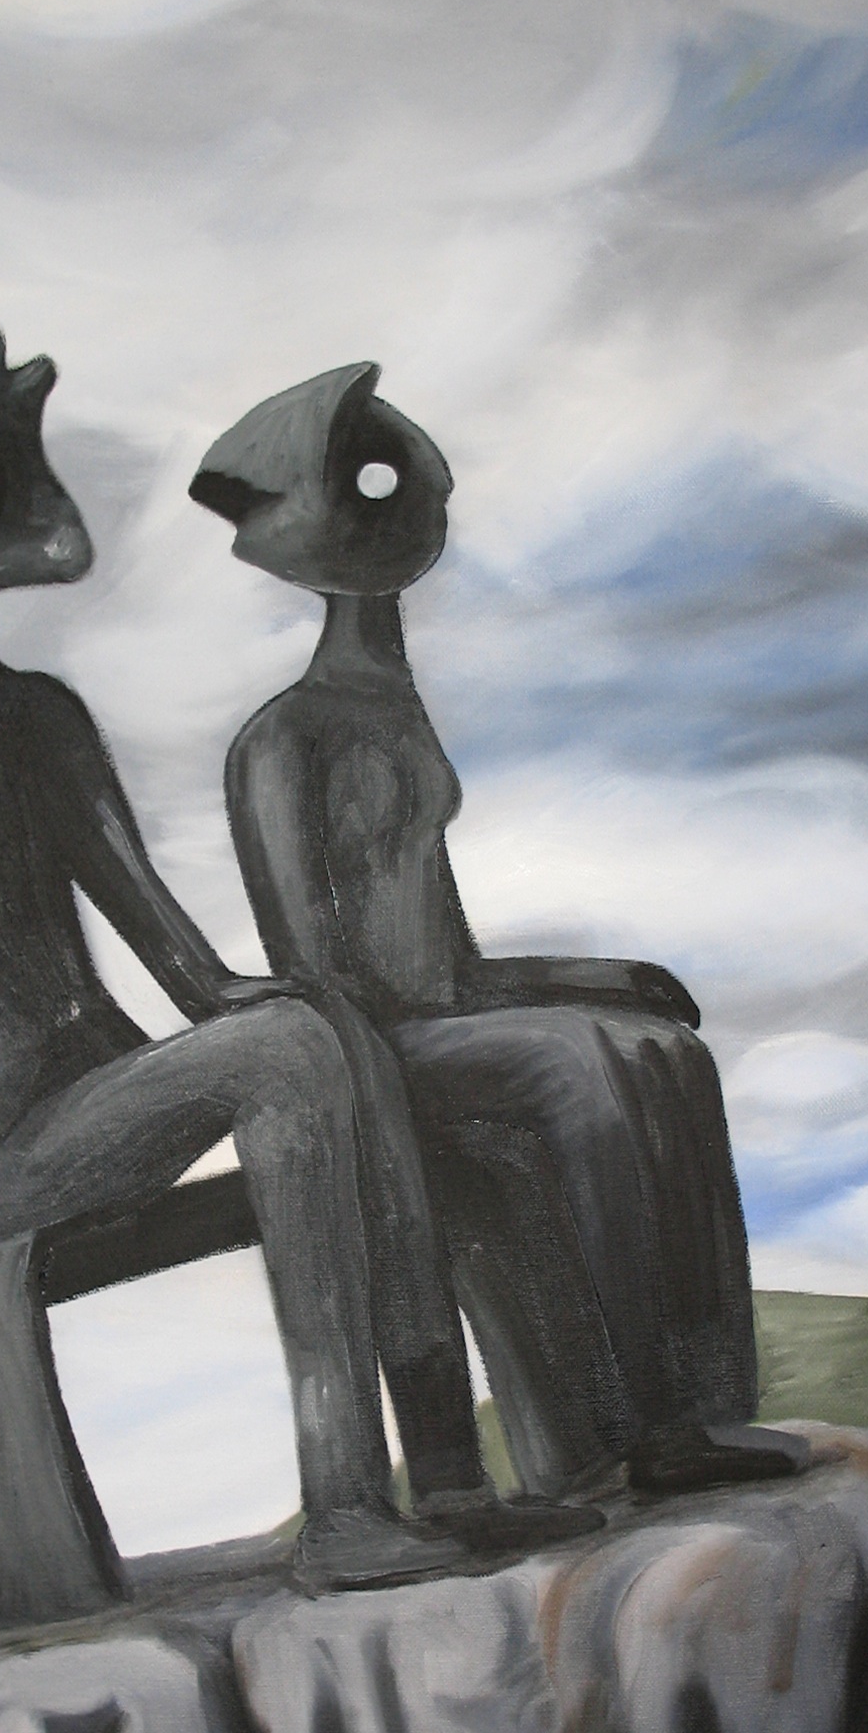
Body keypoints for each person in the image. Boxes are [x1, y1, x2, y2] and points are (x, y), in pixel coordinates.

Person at [0, 324, 593, 1594]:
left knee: (328, 1033)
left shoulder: (46, 720)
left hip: (119, 1095)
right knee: (290, 1054)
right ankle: (344, 1510)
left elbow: (187, 971)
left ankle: (445, 1480)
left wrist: (304, 1002)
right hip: (9, 1148)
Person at [193, 362, 807, 1494]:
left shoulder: (396, 718)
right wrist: (543, 1015)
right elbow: (320, 977)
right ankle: (644, 1432)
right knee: (581, 1068)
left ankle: (706, 1408)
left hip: (444, 1022)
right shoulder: (282, 740)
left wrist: (600, 975)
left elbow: (453, 963)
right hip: (372, 1050)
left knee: (668, 1055)